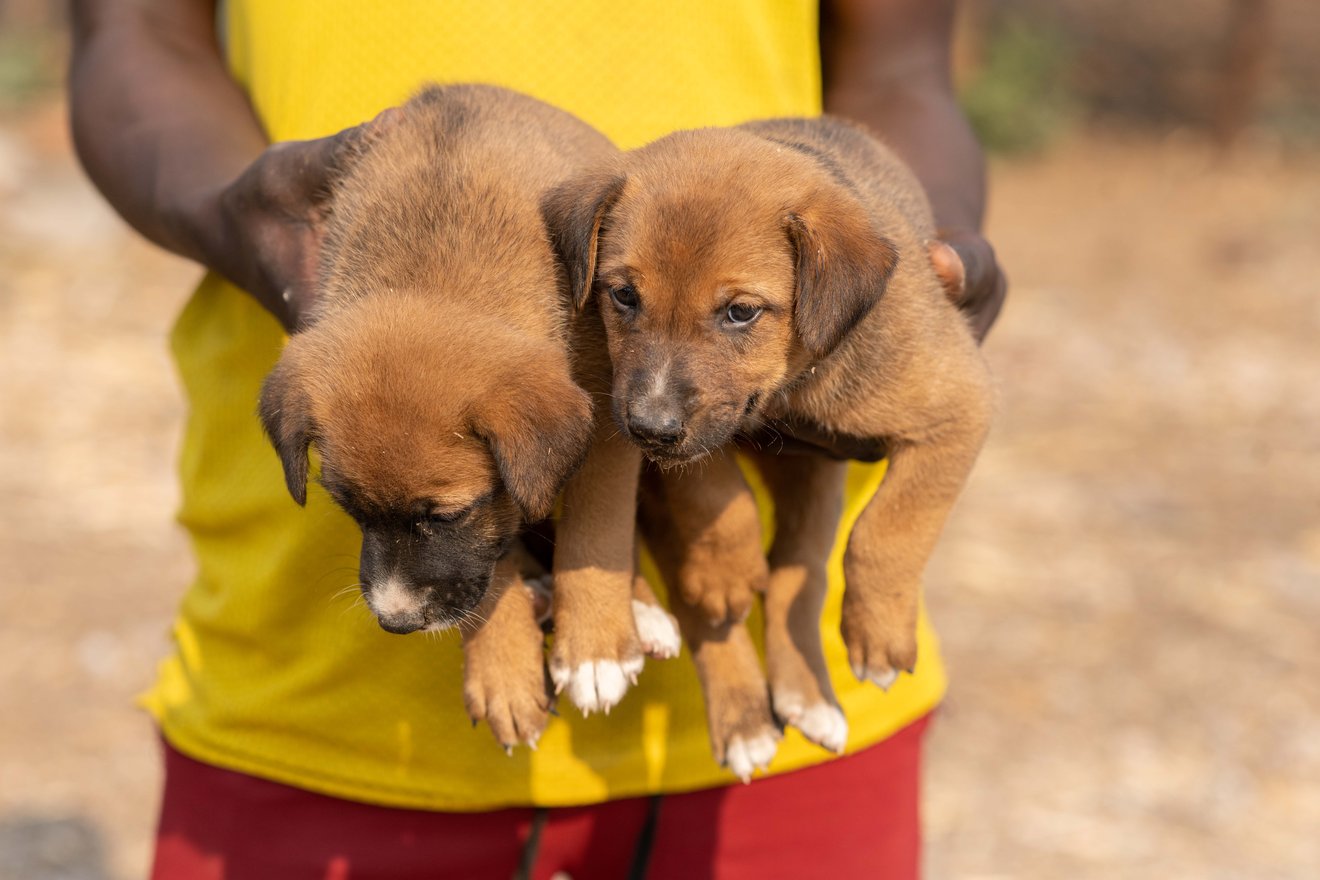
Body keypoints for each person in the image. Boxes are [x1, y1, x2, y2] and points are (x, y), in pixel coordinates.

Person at [69, 2, 1006, 877]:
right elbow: (132, 32)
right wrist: (232, 213)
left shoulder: (793, 278)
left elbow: (899, 65)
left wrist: (923, 260)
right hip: (315, 700)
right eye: (620, 300)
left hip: (791, 692)